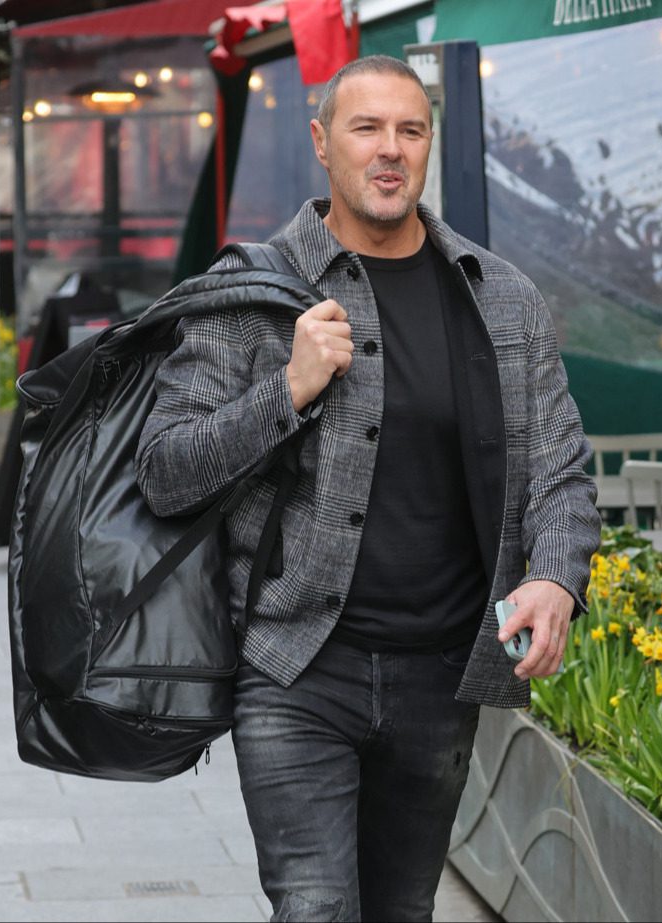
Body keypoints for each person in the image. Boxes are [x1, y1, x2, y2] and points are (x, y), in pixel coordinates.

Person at [136, 54, 601, 923]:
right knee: (315, 907)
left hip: (442, 677)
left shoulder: (502, 299)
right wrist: (288, 390)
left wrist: (554, 574)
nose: (390, 149)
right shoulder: (251, 290)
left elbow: (560, 471)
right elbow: (166, 471)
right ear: (322, 143)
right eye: (367, 128)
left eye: (410, 130)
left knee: (401, 911)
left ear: (427, 145)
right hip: (296, 669)